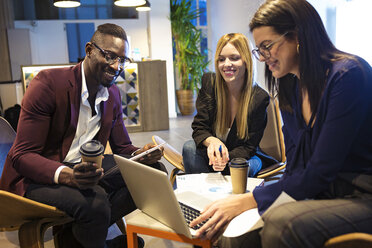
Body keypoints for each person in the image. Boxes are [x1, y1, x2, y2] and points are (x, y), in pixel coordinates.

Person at [189, 0, 372, 247]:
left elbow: (319, 172)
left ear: (298, 35)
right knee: (233, 231)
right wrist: (247, 204)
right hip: (320, 192)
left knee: (279, 222)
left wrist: (248, 200)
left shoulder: (348, 75)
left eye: (267, 46)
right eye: (259, 50)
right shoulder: (290, 86)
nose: (264, 58)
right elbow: (296, 168)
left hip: (359, 194)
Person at [0, 23, 165, 248]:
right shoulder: (48, 84)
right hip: (37, 177)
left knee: (153, 174)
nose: (116, 66)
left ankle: (77, 234)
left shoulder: (113, 95)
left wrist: (140, 154)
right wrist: (69, 176)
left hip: (84, 168)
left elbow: (123, 148)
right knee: (95, 200)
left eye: (122, 60)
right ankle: (90, 233)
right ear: (89, 50)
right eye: (109, 56)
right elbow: (22, 155)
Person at [182, 33, 270, 177]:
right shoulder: (209, 84)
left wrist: (224, 156)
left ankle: (218, 188)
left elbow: (249, 147)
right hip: (212, 155)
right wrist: (212, 142)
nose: (227, 64)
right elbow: (199, 128)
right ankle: (206, 195)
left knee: (246, 165)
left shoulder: (259, 98)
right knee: (189, 148)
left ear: (247, 60)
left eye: (234, 58)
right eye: (221, 59)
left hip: (242, 156)